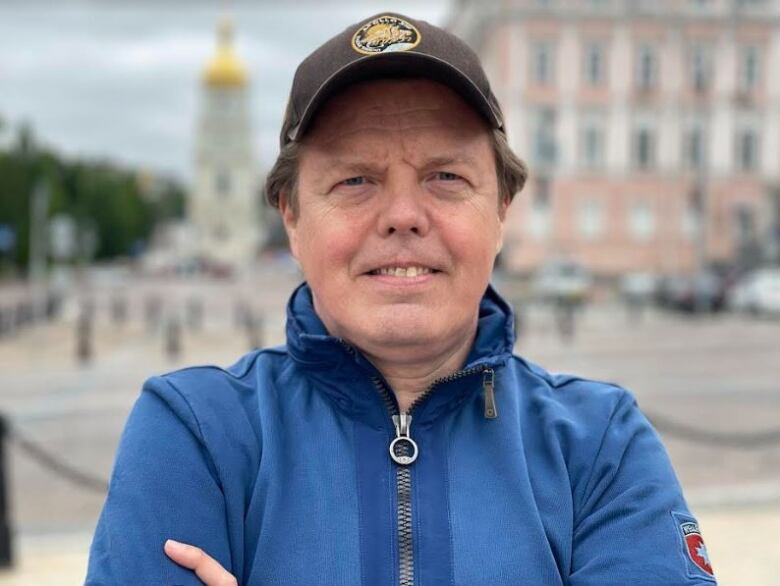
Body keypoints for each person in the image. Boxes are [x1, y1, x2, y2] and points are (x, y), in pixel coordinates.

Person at [86, 12, 717, 585]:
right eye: (355, 179)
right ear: (292, 217)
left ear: (501, 209)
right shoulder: (197, 433)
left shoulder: (599, 445)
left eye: (446, 177)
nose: (403, 216)